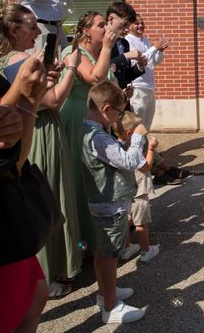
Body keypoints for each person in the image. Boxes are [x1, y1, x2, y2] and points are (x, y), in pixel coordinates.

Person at [0, 3, 83, 298]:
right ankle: (56, 270)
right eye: (32, 27)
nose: (37, 33)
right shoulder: (21, 61)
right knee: (51, 196)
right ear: (15, 31)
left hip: (35, 128)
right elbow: (53, 100)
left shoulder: (5, 59)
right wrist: (70, 68)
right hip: (39, 131)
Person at [0, 0, 49, 332]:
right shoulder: (1, 63)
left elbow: (5, 136)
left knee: (36, 290)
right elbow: (0, 153)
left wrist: (27, 99)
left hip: (1, 191)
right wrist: (26, 96)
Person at [81, 80, 146, 324]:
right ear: (106, 109)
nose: (119, 117)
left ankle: (105, 292)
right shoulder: (98, 137)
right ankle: (111, 307)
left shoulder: (91, 131)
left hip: (103, 204)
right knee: (109, 256)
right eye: (118, 113)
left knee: (103, 251)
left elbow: (109, 155)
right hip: (110, 205)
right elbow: (129, 162)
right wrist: (138, 138)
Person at [61, 12, 117, 252]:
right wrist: (107, 47)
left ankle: (98, 240)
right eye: (101, 25)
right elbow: (95, 79)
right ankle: (81, 241)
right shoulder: (72, 53)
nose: (106, 28)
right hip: (76, 119)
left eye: (106, 24)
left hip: (96, 122)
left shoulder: (99, 54)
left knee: (97, 179)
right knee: (80, 178)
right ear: (86, 31)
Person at [115, 112, 160, 263]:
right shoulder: (133, 152)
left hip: (124, 193)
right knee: (141, 224)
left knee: (126, 222)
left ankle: (127, 249)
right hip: (138, 193)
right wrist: (151, 149)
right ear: (130, 134)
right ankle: (146, 251)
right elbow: (146, 166)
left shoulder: (116, 147)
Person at [125, 14, 170, 130]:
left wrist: (159, 51)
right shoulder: (127, 41)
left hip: (149, 87)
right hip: (137, 87)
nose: (140, 26)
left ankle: (143, 147)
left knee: (147, 124)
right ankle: (135, 147)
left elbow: (156, 62)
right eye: (137, 23)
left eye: (142, 23)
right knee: (136, 123)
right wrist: (154, 48)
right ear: (129, 26)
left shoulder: (146, 41)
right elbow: (140, 60)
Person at [106, 2, 147, 90]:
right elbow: (100, 68)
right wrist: (125, 56)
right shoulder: (99, 39)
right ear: (111, 19)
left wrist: (139, 66)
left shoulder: (124, 43)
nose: (127, 29)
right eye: (124, 24)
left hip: (121, 98)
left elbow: (125, 76)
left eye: (129, 25)